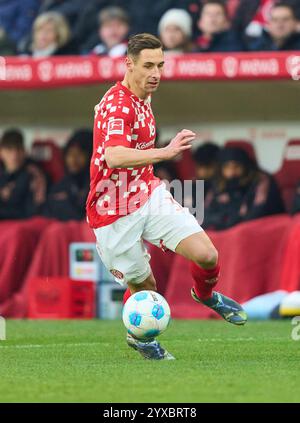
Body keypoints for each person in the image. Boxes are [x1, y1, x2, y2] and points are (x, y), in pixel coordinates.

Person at [86, 33, 247, 361]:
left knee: (207, 255)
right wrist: (168, 151)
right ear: (128, 64)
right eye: (147, 66)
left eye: (160, 64)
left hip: (146, 193)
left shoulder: (141, 94)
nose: (156, 73)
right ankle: (141, 339)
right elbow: (114, 156)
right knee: (147, 290)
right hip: (112, 209)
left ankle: (206, 295)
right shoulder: (118, 105)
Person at [203, 147, 285, 230]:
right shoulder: (218, 182)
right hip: (226, 230)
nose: (232, 171)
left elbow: (258, 211)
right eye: (227, 167)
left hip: (258, 229)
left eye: (236, 166)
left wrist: (235, 221)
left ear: (245, 166)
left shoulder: (260, 180)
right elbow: (206, 213)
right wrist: (223, 219)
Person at [44, 129, 92, 221]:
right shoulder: (60, 185)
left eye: (79, 154)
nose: (73, 160)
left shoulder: (98, 187)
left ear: (90, 156)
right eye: (70, 154)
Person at [0, 129, 47, 219]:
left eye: (18, 149)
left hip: (21, 225)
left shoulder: (34, 174)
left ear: (24, 150)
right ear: (1, 152)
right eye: (9, 149)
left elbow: (34, 211)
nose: (14, 155)